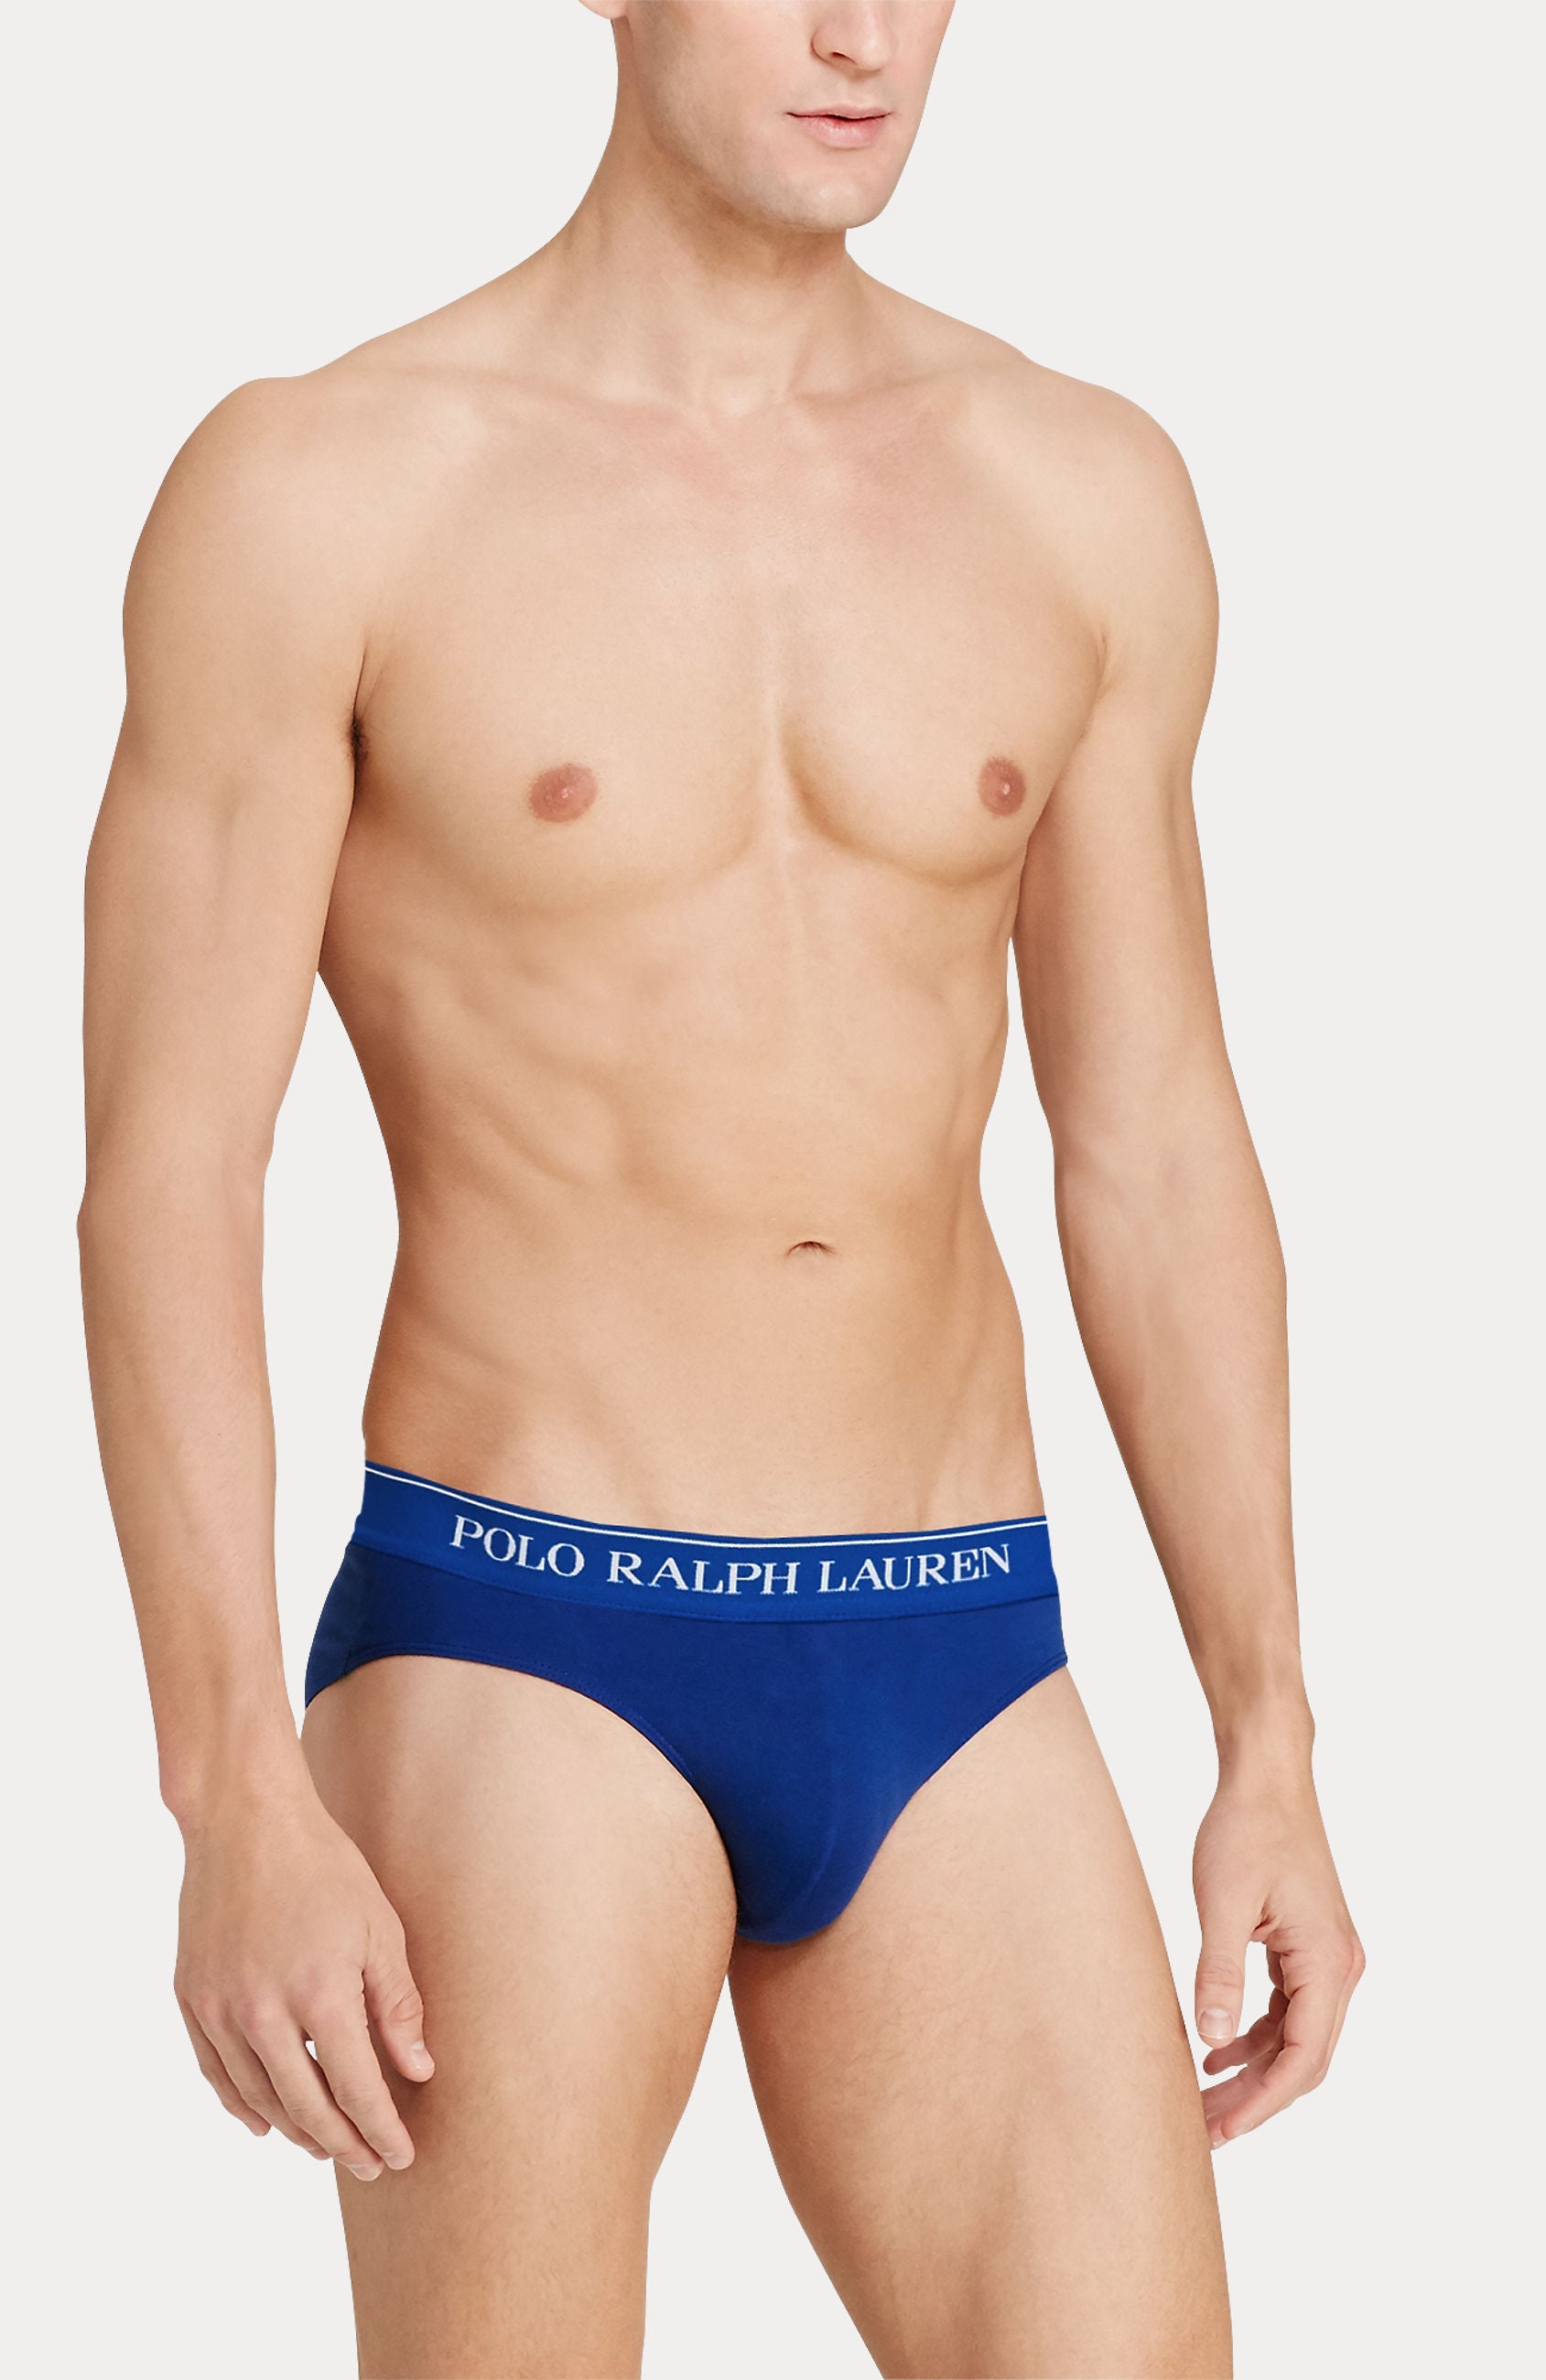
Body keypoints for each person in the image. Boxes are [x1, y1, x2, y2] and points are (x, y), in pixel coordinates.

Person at [77, 4, 1364, 2373]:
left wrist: (1266, 1729)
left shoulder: (1078, 488)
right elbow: (171, 1171)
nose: (861, 33)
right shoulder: (326, 488)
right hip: (520, 1634)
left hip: (960, 1636)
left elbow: (1154, 1136)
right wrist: (227, 1782)